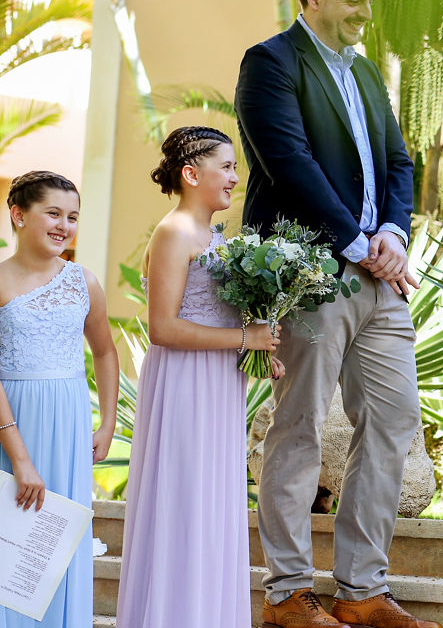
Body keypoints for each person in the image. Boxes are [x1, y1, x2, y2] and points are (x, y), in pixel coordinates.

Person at [235, 0, 437, 628]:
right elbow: (287, 160)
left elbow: (399, 162)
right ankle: (287, 593)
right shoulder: (269, 64)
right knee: (296, 429)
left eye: (369, 3)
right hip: (312, 275)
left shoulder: (368, 73)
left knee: (393, 421)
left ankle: (362, 590)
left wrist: (394, 235)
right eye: (353, 1)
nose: (363, 15)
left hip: (381, 280)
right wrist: (355, 242)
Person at [116, 127, 280, 628]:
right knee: (185, 503)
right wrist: (243, 341)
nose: (235, 177)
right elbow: (163, 327)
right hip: (185, 385)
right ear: (192, 174)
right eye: (226, 167)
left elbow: (215, 315)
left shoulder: (215, 238)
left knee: (211, 508)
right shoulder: (173, 233)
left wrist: (257, 339)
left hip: (216, 384)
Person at [0, 171, 118, 628]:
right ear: (18, 215)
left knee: (55, 549)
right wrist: (20, 458)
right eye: (53, 213)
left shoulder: (82, 281)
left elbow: (105, 352)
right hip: (14, 425)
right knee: (9, 551)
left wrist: (107, 425)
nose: (64, 225)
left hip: (68, 428)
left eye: (72, 217)